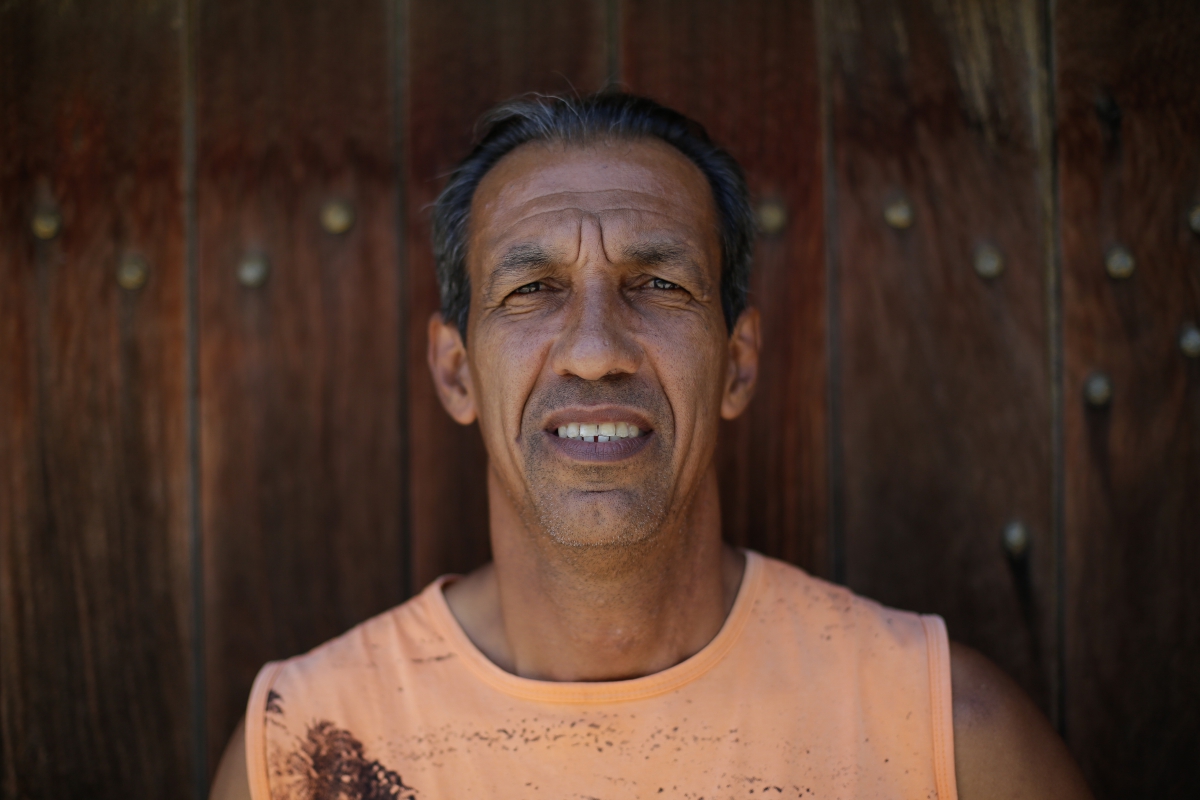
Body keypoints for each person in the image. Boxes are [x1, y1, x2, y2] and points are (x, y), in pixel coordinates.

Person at [211, 92, 1091, 800]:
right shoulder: (299, 752)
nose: (596, 350)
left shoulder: (947, 739)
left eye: (658, 283)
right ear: (456, 373)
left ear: (737, 365)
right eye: (533, 289)